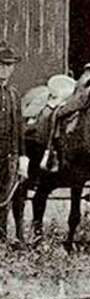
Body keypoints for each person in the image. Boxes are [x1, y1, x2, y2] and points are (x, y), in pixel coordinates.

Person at [0, 41, 28, 241]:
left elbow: (19, 129)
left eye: (9, 65)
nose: (5, 69)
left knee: (4, 200)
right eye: (1, 64)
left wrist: (22, 157)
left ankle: (1, 239)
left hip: (8, 156)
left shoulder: (13, 94)